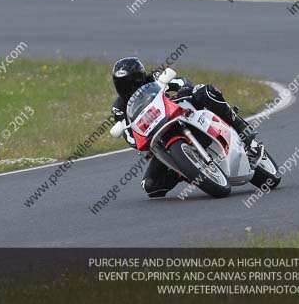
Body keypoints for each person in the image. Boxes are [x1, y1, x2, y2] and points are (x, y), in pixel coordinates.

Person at [110, 57, 258, 198]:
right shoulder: (119, 108)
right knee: (150, 186)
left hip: (180, 112)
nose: (128, 88)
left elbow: (182, 82)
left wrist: (184, 89)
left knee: (204, 91)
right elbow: (129, 135)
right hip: (160, 137)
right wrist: (138, 140)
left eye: (131, 81)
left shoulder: (155, 78)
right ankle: (186, 170)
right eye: (121, 84)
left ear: (140, 77)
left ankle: (240, 126)